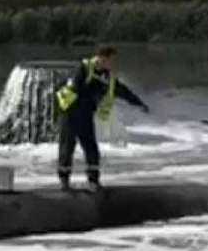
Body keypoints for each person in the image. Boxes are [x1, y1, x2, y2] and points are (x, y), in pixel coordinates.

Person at [55, 46, 149, 192]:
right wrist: (92, 85)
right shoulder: (83, 68)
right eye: (111, 60)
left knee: (92, 149)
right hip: (70, 113)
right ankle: (64, 182)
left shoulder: (108, 77)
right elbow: (74, 86)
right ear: (102, 58)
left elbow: (122, 91)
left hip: (85, 115)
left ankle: (93, 181)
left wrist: (139, 103)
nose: (113, 64)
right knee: (67, 148)